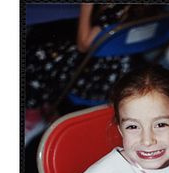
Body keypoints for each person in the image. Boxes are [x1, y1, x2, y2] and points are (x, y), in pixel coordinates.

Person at [25, 3, 157, 145]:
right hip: (121, 72)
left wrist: (86, 6)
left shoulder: (116, 10)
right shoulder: (147, 8)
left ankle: (34, 119)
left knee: (35, 57)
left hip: (94, 80)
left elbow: (83, 45)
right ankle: (46, 106)